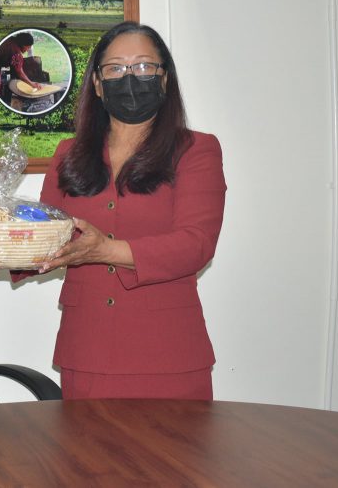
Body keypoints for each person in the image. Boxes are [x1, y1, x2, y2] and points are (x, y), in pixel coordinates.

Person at [28, 21, 226, 401]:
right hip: (85, 352)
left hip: (168, 355)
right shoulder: (68, 154)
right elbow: (44, 235)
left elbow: (196, 244)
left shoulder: (196, 150)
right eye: (116, 68)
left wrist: (106, 250)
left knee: (175, 463)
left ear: (164, 79)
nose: (130, 77)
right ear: (98, 85)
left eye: (144, 66)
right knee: (86, 462)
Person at [0, 31, 41, 99]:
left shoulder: (9, 40)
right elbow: (20, 73)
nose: (28, 49)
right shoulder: (16, 52)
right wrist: (32, 84)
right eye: (28, 47)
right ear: (23, 45)